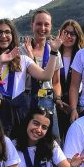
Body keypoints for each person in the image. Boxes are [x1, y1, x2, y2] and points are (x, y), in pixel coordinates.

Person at [0, 19, 61, 136]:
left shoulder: (24, 60)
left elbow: (46, 76)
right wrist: (0, 63)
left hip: (20, 111)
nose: (3, 36)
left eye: (7, 32)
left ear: (13, 35)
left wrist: (54, 51)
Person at [24, 10, 64, 138]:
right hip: (27, 97)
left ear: (51, 26)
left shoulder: (55, 52)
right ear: (32, 25)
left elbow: (56, 82)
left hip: (47, 99)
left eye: (46, 24)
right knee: (26, 135)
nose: (42, 28)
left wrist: (57, 98)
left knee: (52, 137)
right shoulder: (21, 50)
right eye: (39, 24)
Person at [55, 19, 84, 134]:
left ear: (78, 36)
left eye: (72, 34)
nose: (68, 36)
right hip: (57, 102)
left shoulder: (82, 56)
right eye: (66, 32)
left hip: (76, 105)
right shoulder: (53, 53)